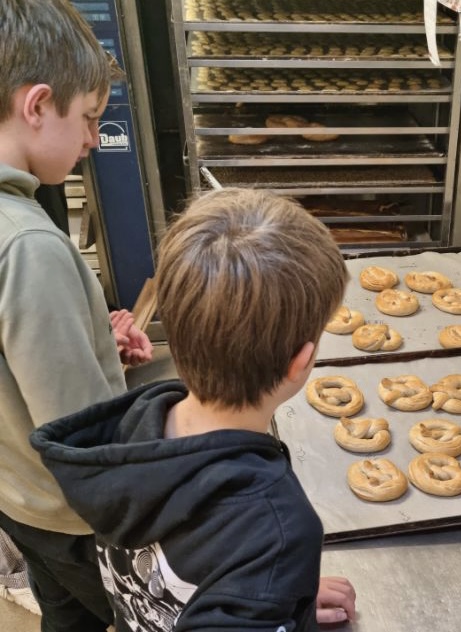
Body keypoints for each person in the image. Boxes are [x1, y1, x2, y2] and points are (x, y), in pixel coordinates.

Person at [31, 187, 357, 630]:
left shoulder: (128, 438)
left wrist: (272, 595)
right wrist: (270, 574)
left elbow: (180, 572)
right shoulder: (276, 526)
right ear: (300, 363)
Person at [0, 0, 152, 628]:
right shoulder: (29, 244)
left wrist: (90, 344)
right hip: (74, 518)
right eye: (89, 117)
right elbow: (82, 438)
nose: (94, 138)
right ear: (36, 105)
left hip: (17, 496)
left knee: (68, 619)